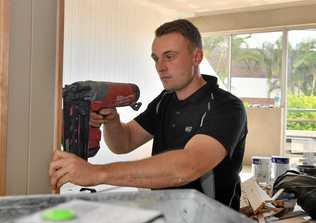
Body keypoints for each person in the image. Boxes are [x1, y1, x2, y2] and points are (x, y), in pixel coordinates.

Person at [49, 19, 247, 211]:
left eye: (169, 56)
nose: (160, 67)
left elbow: (187, 166)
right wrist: (112, 121)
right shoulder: (165, 101)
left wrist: (98, 173)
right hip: (166, 219)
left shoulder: (227, 107)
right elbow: (124, 143)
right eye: (156, 58)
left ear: (196, 57)